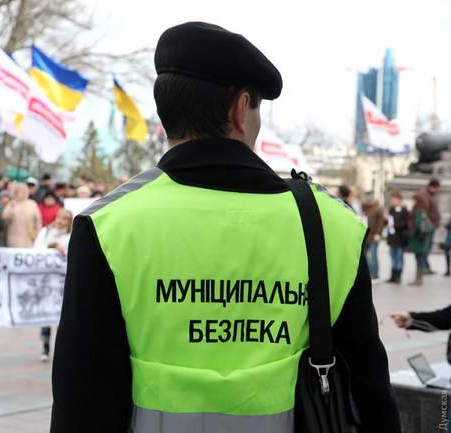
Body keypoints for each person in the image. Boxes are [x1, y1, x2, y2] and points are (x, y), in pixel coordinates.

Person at [50, 22, 400, 433]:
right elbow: (370, 390)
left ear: (167, 112)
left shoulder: (109, 225)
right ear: (240, 107)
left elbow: (82, 396)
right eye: (257, 108)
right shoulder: (332, 224)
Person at [34, 208, 73, 362]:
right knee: (46, 313)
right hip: (46, 280)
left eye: (64, 219)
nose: (59, 221)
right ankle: (45, 345)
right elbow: (36, 250)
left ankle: (61, 348)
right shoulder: (45, 232)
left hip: (63, 281)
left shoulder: (71, 236)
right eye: (58, 217)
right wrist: (52, 246)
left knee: (61, 315)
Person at [2, 183, 42, 248]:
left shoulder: (32, 203)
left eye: (22, 192)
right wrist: (11, 207)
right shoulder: (11, 204)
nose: (20, 194)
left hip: (30, 238)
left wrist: (38, 235)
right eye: (17, 192)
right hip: (14, 239)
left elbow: (38, 221)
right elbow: (5, 217)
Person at [408, 192, 432, 287]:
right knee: (421, 259)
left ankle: (418, 280)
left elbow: (417, 225)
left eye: (413, 200)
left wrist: (411, 234)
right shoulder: (423, 211)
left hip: (419, 240)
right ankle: (419, 279)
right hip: (423, 240)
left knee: (419, 259)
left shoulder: (418, 211)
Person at [386, 190, 409, 284]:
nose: (393, 201)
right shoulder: (391, 209)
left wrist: (394, 225)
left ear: (399, 199)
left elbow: (405, 224)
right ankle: (393, 276)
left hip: (400, 238)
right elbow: (389, 221)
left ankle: (398, 277)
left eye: (394, 199)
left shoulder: (404, 210)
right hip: (392, 237)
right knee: (392, 256)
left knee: (399, 257)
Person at [420, 178, 441, 274]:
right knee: (425, 247)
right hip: (427, 226)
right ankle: (424, 267)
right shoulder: (424, 195)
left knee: (428, 247)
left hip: (432, 225)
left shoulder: (433, 195)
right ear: (431, 187)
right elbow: (425, 212)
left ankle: (426, 266)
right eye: (436, 188)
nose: (437, 190)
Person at [361, 199, 386, 281]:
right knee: (364, 257)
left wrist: (378, 234)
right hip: (365, 236)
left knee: (373, 256)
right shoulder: (364, 208)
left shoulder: (378, 208)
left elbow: (381, 222)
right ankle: (367, 275)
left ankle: (375, 275)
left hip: (374, 237)